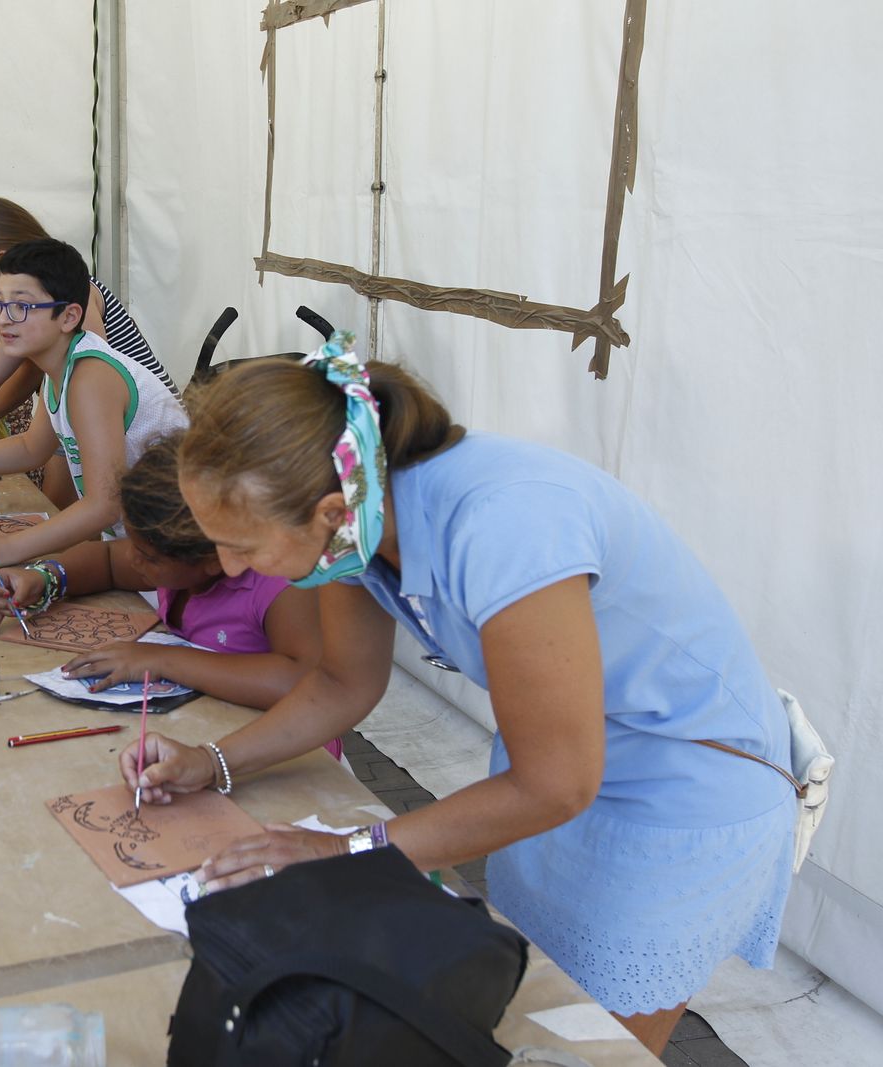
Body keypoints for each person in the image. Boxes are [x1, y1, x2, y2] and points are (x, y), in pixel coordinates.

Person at [124, 337, 797, 1053]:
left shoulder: (505, 528)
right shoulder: (357, 513)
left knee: (593, 1043)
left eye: (243, 547)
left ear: (324, 511)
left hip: (681, 798)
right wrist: (211, 761)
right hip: (565, 776)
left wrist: (350, 849)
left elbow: (555, 780)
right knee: (528, 1004)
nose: (228, 565)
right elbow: (343, 681)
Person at [0, 434, 322, 718]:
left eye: (148, 556)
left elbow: (305, 682)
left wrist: (162, 660)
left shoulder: (282, 583)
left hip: (296, 767)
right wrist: (44, 579)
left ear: (216, 559)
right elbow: (106, 561)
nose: (133, 558)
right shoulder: (180, 557)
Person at [0, 239, 186, 568]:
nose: (4, 321)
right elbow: (30, 448)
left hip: (177, 550)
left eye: (21, 307)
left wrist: (9, 547)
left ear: (68, 317)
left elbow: (103, 505)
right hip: (140, 544)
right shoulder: (62, 369)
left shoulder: (90, 377)